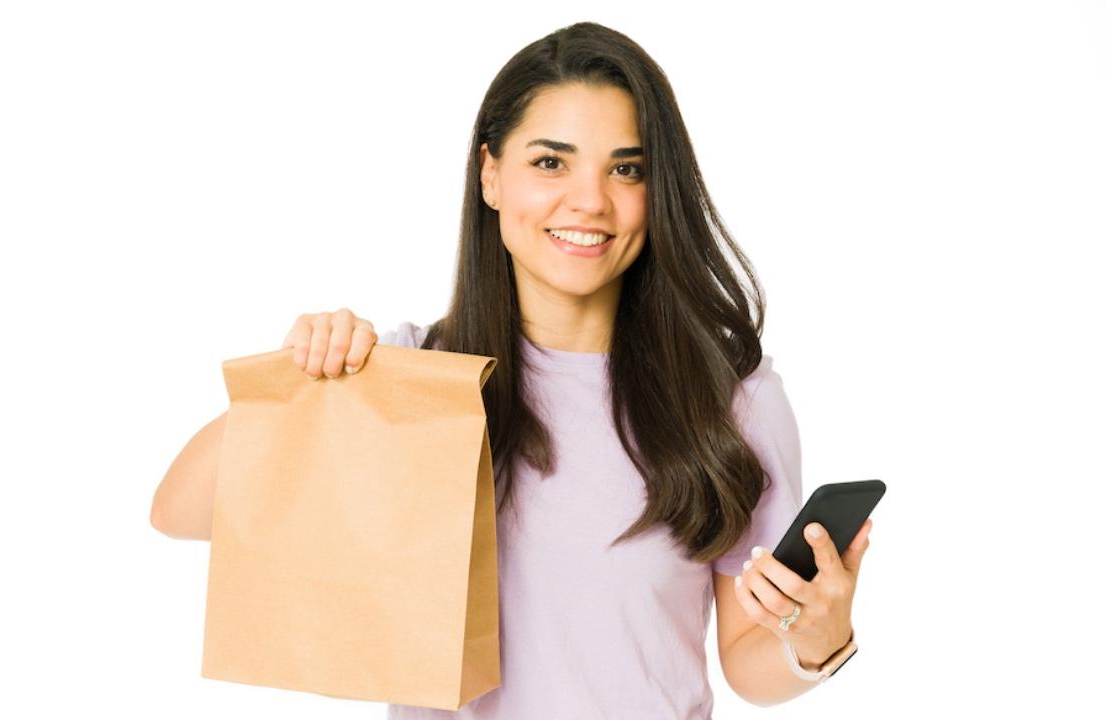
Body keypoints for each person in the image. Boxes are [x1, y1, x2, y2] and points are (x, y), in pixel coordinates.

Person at [150, 20, 872, 719]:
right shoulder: (409, 379)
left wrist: (819, 642)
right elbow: (179, 512)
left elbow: (748, 658)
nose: (590, 200)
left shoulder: (730, 398)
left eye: (627, 169)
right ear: (491, 174)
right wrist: (306, 383)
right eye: (550, 162)